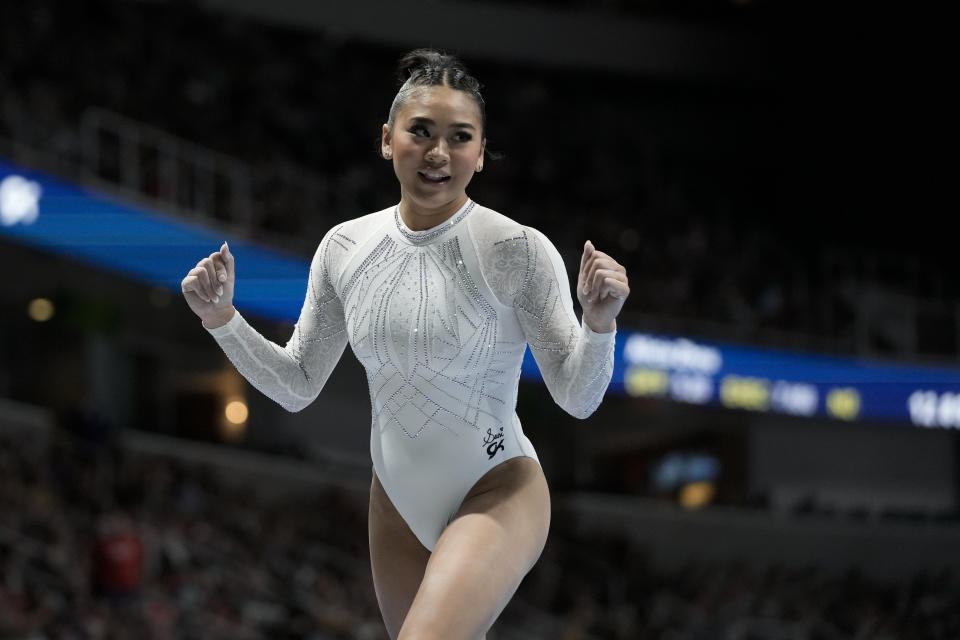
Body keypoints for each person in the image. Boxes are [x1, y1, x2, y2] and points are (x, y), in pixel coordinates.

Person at [181, 49, 630, 639]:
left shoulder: (515, 250)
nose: (439, 153)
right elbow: (296, 384)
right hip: (393, 502)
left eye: (459, 136)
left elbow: (577, 397)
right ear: (388, 140)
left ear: (480, 152)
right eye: (421, 131)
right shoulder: (345, 248)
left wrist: (598, 324)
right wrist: (222, 319)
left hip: (497, 486)